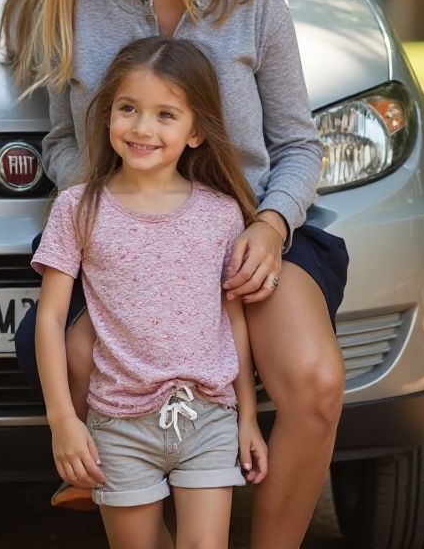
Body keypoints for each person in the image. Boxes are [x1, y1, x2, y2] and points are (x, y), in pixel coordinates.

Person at [2, 0, 349, 547]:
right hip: (128, 246)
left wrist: (270, 222)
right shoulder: (69, 4)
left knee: (317, 382)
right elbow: (65, 142)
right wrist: (111, 213)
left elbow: (298, 144)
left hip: (244, 244)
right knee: (78, 353)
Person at [35, 36, 267, 549]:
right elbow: (50, 320)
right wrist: (64, 421)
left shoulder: (221, 213)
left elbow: (234, 323)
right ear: (108, 115)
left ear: (196, 132)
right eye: (128, 109)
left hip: (207, 417)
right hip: (118, 424)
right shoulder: (78, 208)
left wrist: (247, 417)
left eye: (166, 114)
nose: (142, 128)